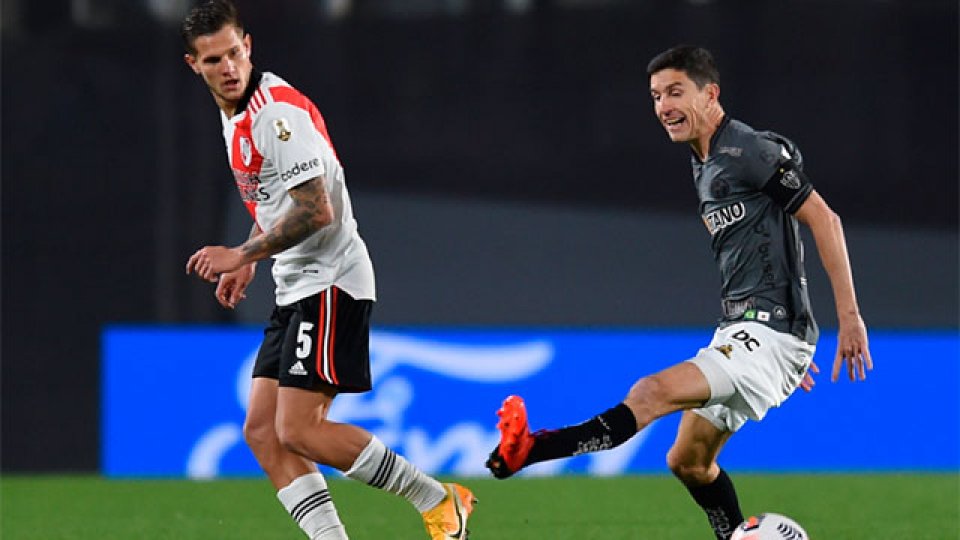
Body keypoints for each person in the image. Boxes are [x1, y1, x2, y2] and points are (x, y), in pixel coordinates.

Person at [485, 45, 873, 540]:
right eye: (655, 96)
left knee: (651, 393)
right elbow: (768, 238)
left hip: (767, 332)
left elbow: (824, 218)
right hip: (749, 330)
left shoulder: (748, 150)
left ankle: (531, 450)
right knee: (688, 462)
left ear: (710, 94)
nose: (663, 106)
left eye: (675, 92)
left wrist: (842, 320)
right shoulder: (704, 162)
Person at [181, 2, 476, 539]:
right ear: (193, 65)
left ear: (248, 45)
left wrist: (242, 256)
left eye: (233, 53)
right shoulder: (235, 117)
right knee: (264, 433)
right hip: (297, 285)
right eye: (213, 60)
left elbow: (319, 210)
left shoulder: (274, 115)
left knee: (299, 429)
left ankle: (439, 499)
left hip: (331, 280)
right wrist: (254, 255)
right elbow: (277, 202)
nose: (228, 67)